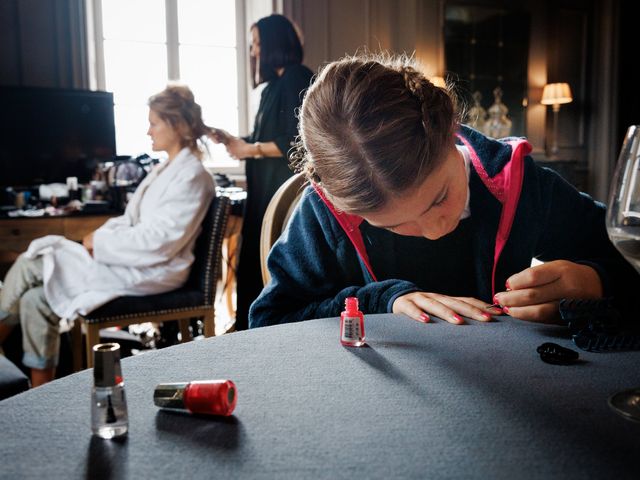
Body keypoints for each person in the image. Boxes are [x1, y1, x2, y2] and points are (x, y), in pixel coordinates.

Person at [249, 54, 640, 328]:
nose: (436, 229)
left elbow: (627, 262)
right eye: (396, 225)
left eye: (439, 197)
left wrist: (595, 282)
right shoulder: (324, 212)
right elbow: (270, 322)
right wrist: (378, 301)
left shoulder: (519, 184)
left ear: (450, 126)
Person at [0, 84, 216, 386]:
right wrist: (95, 240)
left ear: (176, 125)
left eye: (154, 123)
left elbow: (159, 243)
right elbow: (128, 220)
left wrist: (98, 243)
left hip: (154, 270)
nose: (148, 131)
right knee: (35, 300)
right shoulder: (163, 170)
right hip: (131, 261)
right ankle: (40, 391)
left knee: (31, 262)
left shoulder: (192, 175)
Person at [211, 14, 313, 331]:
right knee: (253, 255)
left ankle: (268, 327)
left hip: (281, 188)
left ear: (273, 43)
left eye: (256, 43)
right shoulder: (271, 89)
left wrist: (249, 149)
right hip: (263, 187)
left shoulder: (298, 77)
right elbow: (263, 139)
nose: (254, 51)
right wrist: (235, 141)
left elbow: (296, 140)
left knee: (271, 256)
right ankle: (248, 325)